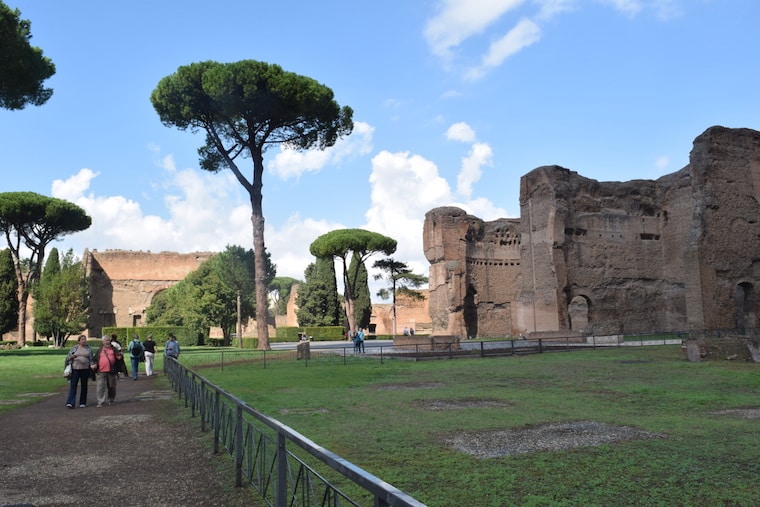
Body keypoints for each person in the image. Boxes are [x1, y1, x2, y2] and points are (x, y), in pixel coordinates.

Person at [65, 335, 95, 408]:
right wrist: (72, 357)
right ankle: (71, 402)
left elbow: (91, 359)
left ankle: (82, 402)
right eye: (82, 339)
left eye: (85, 339)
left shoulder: (89, 349)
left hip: (85, 369)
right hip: (75, 369)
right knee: (73, 385)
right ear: (79, 341)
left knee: (84, 386)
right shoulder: (75, 348)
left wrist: (92, 365)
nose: (84, 341)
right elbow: (68, 358)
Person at [93, 335, 122, 407]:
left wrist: (120, 356)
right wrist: (94, 365)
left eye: (109, 340)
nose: (108, 342)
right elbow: (95, 359)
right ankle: (100, 401)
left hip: (111, 371)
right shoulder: (100, 350)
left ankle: (111, 399)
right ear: (102, 342)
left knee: (112, 386)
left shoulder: (113, 349)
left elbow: (118, 357)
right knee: (100, 387)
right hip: (101, 371)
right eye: (106, 340)